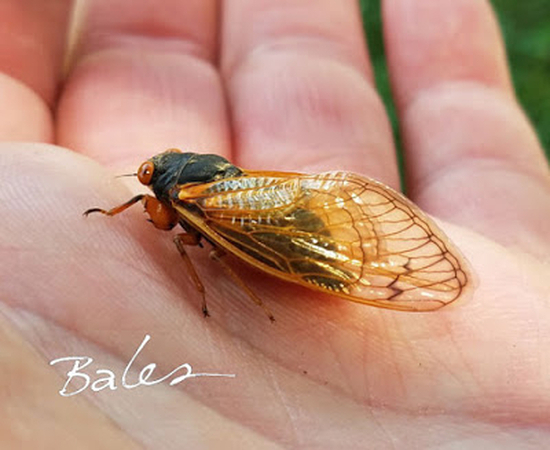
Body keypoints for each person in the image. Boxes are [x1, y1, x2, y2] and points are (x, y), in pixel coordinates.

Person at [1, 0, 549, 448]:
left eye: (148, 178)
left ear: (161, 185)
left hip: (265, 225)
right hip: (270, 199)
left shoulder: (187, 202)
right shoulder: (189, 190)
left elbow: (192, 247)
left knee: (212, 251)